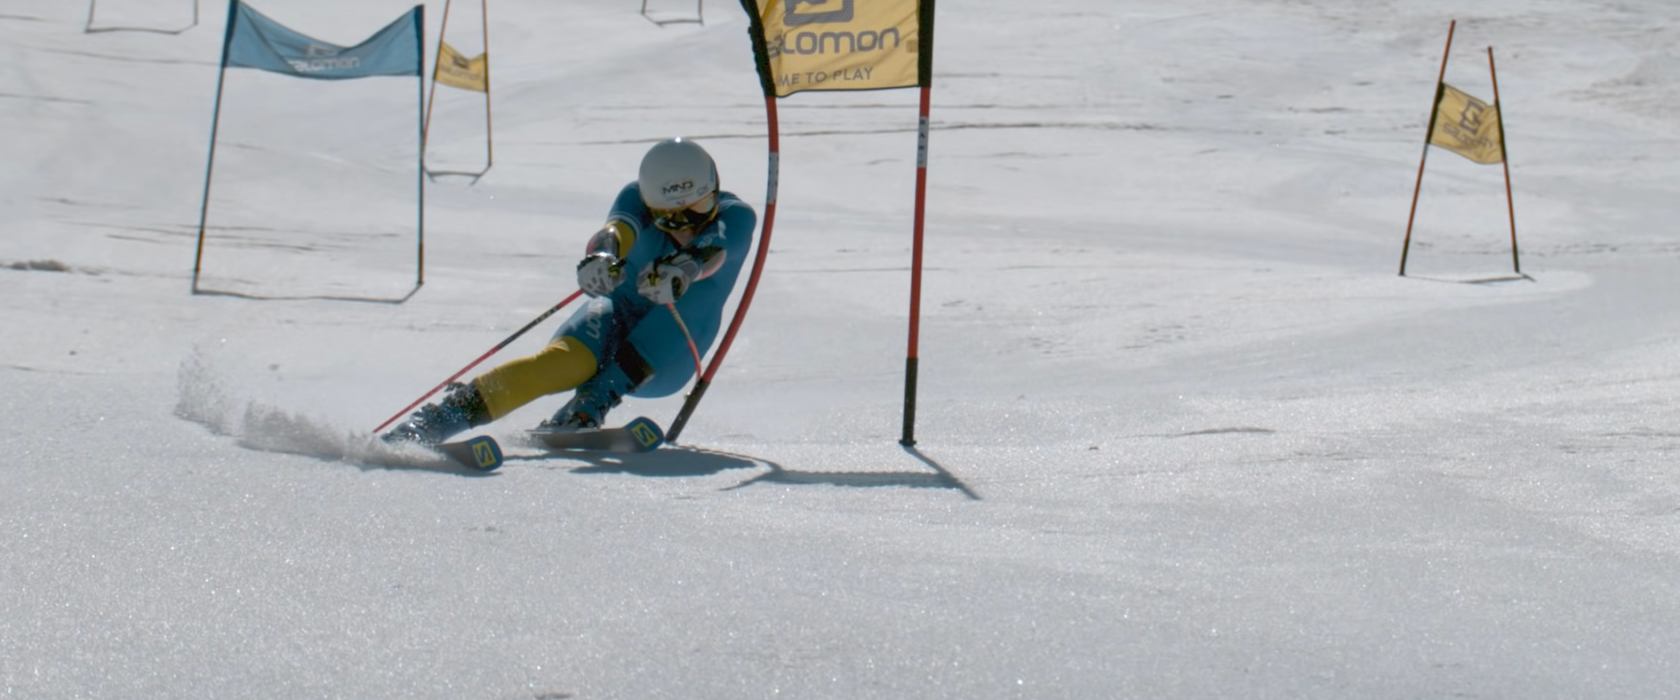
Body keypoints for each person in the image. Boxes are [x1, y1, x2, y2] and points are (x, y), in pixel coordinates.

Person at [383, 138, 757, 445]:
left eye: (700, 209)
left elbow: (715, 247)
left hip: (672, 353)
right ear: (651, 205)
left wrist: (684, 268)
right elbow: (616, 230)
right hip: (617, 314)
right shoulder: (635, 197)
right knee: (559, 365)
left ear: (715, 191)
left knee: (690, 298)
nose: (686, 227)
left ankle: (595, 398)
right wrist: (601, 258)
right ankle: (441, 419)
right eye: (671, 219)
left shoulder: (735, 215)